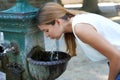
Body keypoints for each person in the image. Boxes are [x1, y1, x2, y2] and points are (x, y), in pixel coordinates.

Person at [35, 2, 120, 80]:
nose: (46, 35)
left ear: (57, 22)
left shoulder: (80, 28)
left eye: (46, 30)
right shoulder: (78, 21)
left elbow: (116, 57)